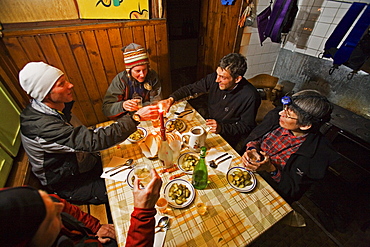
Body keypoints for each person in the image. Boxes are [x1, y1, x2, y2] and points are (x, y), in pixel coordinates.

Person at [19, 61, 159, 205]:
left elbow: (84, 136)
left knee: (137, 169)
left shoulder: (55, 106)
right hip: (69, 182)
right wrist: (136, 118)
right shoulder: (42, 127)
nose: (70, 85)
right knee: (129, 193)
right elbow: (92, 141)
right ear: (45, 94)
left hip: (85, 161)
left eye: (65, 80)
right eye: (61, 84)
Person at [0, 169, 162, 247]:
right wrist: (143, 211)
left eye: (45, 198)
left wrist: (94, 227)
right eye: (53, 218)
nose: (59, 207)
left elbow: (61, 204)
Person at [241, 89, 340, 203]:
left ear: (304, 125)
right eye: (284, 109)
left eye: (288, 115)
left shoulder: (317, 154)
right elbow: (256, 137)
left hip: (269, 191)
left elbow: (292, 190)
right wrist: (252, 149)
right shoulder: (276, 119)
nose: (280, 113)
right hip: (248, 171)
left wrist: (270, 169)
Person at [159, 53, 261, 153]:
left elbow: (246, 126)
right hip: (209, 123)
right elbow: (192, 88)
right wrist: (171, 99)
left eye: (223, 77)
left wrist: (221, 128)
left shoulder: (250, 96)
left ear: (237, 79)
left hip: (227, 135)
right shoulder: (214, 78)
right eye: (217, 74)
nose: (217, 80)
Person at [102, 43, 162, 120]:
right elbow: (106, 110)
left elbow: (157, 100)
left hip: (148, 115)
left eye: (145, 69)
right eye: (137, 71)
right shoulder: (120, 80)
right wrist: (122, 106)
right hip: (127, 120)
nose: (142, 75)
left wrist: (143, 108)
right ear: (129, 70)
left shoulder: (152, 76)